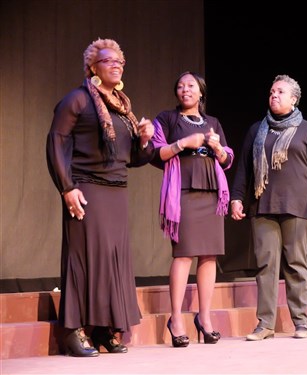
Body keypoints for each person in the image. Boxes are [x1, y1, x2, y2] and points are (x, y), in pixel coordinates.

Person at [46, 38, 154, 357]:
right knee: (83, 261)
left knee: (112, 264)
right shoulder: (77, 100)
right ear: (93, 67)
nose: (117, 64)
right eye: (108, 60)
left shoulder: (121, 106)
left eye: (120, 60)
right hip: (87, 188)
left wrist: (144, 142)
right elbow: (56, 143)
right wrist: (67, 187)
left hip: (116, 192)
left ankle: (106, 329)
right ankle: (73, 331)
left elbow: (131, 159)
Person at [231, 74, 307, 341]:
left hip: (298, 205)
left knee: (296, 263)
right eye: (271, 92)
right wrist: (237, 197)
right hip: (262, 204)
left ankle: (301, 321)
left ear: (293, 99)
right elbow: (243, 168)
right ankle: (265, 324)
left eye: (280, 92)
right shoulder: (257, 130)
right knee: (266, 265)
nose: (274, 96)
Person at [150, 71, 234, 347]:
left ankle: (205, 318)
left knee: (209, 255)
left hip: (211, 191)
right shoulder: (167, 119)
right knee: (184, 254)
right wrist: (183, 143)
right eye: (180, 86)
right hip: (183, 191)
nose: (185, 90)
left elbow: (226, 158)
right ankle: (176, 318)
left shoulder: (213, 122)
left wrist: (217, 148)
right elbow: (155, 153)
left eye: (191, 86)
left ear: (201, 93)